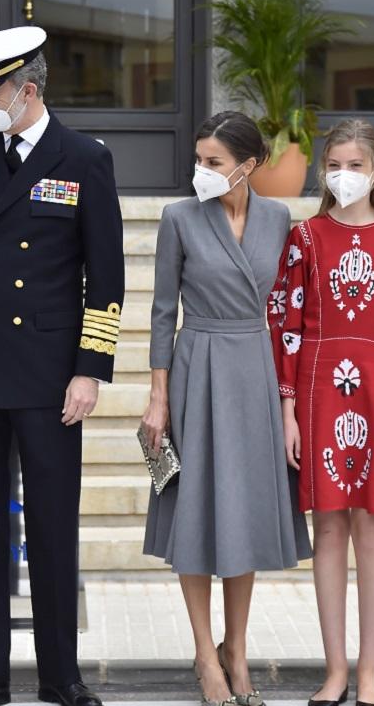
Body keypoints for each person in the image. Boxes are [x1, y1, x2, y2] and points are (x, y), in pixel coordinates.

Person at [0, 26, 124, 706]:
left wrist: (90, 369)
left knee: (51, 527)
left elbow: (107, 276)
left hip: (48, 375)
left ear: (27, 90)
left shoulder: (84, 158)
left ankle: (60, 676)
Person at [141, 111, 312, 706]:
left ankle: (236, 652)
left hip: (255, 368)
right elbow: (164, 311)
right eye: (198, 161)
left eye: (213, 162)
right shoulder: (179, 218)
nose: (201, 172)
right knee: (195, 511)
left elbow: (289, 311)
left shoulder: (279, 218)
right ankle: (203, 651)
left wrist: (290, 399)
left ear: (249, 164)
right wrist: (158, 395)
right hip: (198, 367)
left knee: (243, 515)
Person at [269, 119, 374, 706]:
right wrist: (287, 410)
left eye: (356, 165)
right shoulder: (305, 237)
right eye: (334, 165)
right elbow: (286, 325)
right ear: (322, 171)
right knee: (329, 528)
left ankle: (370, 672)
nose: (344, 175)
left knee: (372, 527)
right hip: (317, 388)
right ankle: (335, 669)